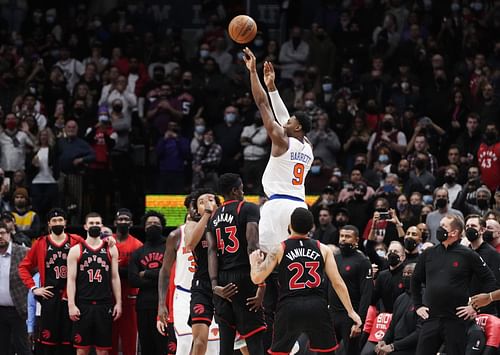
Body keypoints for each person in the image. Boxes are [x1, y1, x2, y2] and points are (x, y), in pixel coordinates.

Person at [249, 207, 362, 354]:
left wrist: (254, 264)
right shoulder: (323, 248)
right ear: (311, 227)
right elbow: (338, 283)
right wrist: (351, 311)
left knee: (279, 352)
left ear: (289, 226)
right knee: (327, 352)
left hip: (289, 307)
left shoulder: (279, 248)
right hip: (317, 306)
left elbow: (257, 278)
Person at [411, 214, 497, 355]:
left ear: (454, 232)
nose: (439, 228)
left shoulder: (468, 254)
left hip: (456, 319)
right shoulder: (428, 253)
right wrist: (418, 305)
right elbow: (415, 280)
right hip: (431, 317)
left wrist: (474, 307)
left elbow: (490, 280)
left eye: (444, 226)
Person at [207, 173, 265, 354]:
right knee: (254, 341)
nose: (243, 191)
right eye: (241, 188)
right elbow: (253, 246)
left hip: (223, 280)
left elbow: (211, 251)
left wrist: (214, 285)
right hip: (245, 277)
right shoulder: (247, 208)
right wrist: (261, 284)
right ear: (234, 191)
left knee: (226, 344)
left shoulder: (214, 215)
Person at [157, 193, 220, 355]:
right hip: (184, 295)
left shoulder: (220, 230)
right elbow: (164, 272)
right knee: (185, 344)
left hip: (211, 292)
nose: (206, 204)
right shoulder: (177, 234)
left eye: (210, 200)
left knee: (213, 347)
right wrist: (162, 303)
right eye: (200, 202)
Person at [18, 208, 84, 354]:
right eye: (54, 221)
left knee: (69, 342)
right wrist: (34, 288)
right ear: (49, 224)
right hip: (49, 297)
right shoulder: (41, 243)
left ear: (65, 223)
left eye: (60, 220)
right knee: (48, 342)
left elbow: (93, 248)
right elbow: (23, 267)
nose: (57, 223)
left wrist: (108, 241)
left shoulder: (76, 240)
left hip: (71, 297)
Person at [67, 212, 122, 355]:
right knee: (81, 350)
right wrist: (71, 304)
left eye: (97, 223)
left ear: (102, 226)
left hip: (104, 304)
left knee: (103, 351)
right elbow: (71, 280)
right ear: (85, 226)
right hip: (83, 304)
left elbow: (115, 278)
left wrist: (119, 303)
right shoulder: (75, 250)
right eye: (91, 223)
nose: (94, 226)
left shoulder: (111, 248)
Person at [129, 211, 168, 355]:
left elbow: (169, 275)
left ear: (162, 226)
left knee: (164, 346)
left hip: (164, 304)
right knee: (146, 347)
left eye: (156, 223)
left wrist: (146, 273)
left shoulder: (168, 247)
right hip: (143, 305)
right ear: (144, 227)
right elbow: (133, 280)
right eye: (149, 223)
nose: (153, 225)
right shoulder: (138, 252)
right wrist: (159, 276)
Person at [330, 225, 374, 355]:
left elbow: (366, 295)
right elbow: (327, 286)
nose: (343, 239)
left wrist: (359, 323)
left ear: (356, 240)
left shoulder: (363, 262)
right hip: (332, 314)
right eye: (342, 236)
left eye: (348, 237)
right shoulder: (334, 259)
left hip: (350, 317)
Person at [111, 209, 143, 355]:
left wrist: (117, 270)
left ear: (131, 223)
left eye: (126, 220)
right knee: (109, 338)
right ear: (115, 222)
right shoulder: (107, 242)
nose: (123, 222)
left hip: (130, 296)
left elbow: (137, 274)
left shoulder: (137, 245)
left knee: (130, 338)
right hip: (109, 295)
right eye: (120, 219)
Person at [374, 263, 420, 355]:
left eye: (410, 273)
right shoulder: (400, 298)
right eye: (404, 273)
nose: (406, 276)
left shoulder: (425, 298)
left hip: (413, 347)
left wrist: (393, 346)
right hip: (395, 345)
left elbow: (419, 332)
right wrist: (383, 341)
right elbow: (392, 326)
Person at [0, 221, 31, 355]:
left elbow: (38, 272)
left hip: (19, 309)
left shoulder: (23, 252)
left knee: (22, 348)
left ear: (9, 234)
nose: (0, 236)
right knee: (3, 348)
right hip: (0, 311)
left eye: (2, 233)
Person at [465, 214, 500, 315]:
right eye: (467, 226)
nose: (469, 229)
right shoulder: (464, 252)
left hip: (485, 309)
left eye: (473, 226)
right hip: (465, 307)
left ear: (482, 230)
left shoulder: (492, 254)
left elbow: (494, 284)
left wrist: (478, 306)